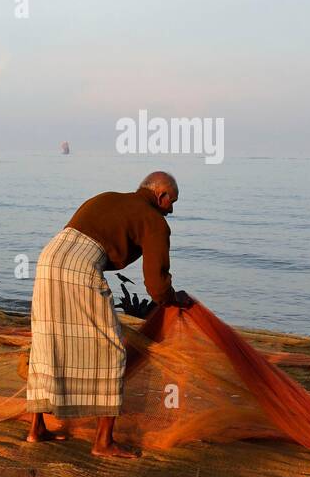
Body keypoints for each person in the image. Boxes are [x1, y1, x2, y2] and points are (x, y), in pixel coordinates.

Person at [26, 171, 192, 458]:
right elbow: (156, 283)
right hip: (78, 268)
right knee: (112, 349)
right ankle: (103, 442)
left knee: (48, 342)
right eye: (172, 202)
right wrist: (171, 299)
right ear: (161, 195)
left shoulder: (108, 198)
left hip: (48, 259)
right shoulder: (154, 220)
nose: (172, 209)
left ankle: (36, 428)